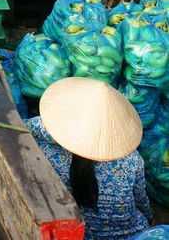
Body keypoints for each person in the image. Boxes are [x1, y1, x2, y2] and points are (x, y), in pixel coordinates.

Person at [25, 77, 153, 240]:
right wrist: (150, 216)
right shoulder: (132, 160)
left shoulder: (48, 152)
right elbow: (141, 201)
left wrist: (55, 132)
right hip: (132, 233)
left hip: (86, 235)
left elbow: (25, 126)